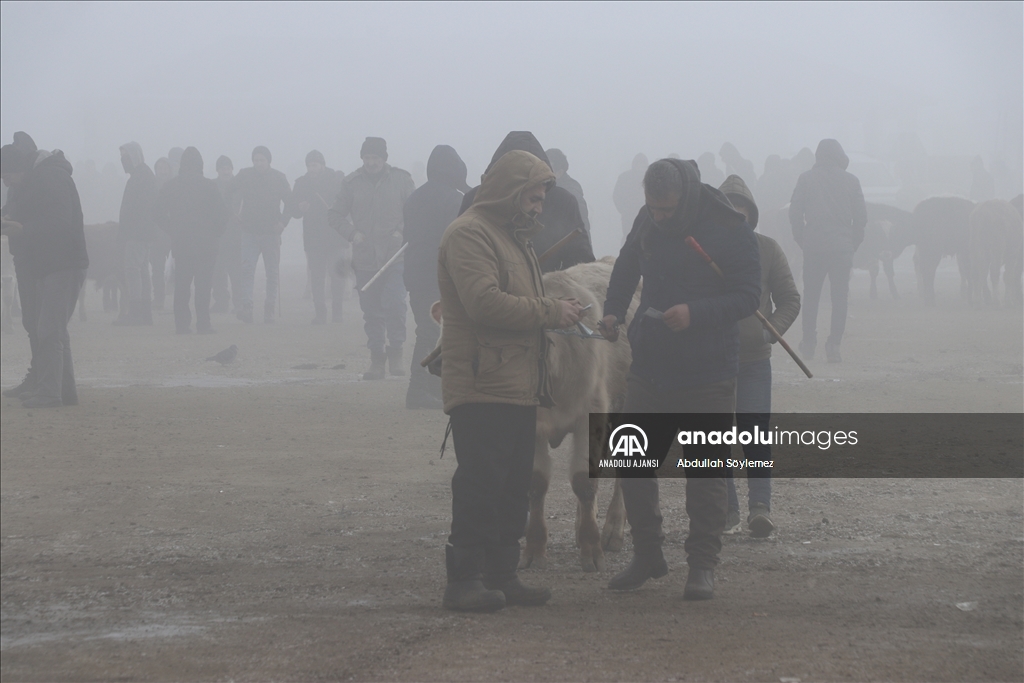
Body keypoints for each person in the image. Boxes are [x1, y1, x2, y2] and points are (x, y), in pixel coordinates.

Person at [599, 158, 760, 600]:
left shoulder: (728, 225)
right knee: (631, 460)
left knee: (705, 472)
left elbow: (748, 295)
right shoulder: (647, 217)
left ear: (685, 197)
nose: (660, 218)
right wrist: (612, 309)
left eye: (667, 210)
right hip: (651, 362)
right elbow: (628, 264)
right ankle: (648, 554)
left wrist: (696, 313)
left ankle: (702, 565)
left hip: (707, 369)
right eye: (654, 209)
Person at [437, 149, 583, 612]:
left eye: (542, 198)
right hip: (483, 384)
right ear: (512, 193)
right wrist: (550, 311)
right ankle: (464, 580)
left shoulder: (514, 237)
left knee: (513, 485)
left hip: (518, 383)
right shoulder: (469, 235)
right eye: (534, 197)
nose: (540, 207)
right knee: (481, 483)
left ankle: (502, 574)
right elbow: (484, 303)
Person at [719, 175, 800, 537]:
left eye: (742, 214)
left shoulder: (767, 249)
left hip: (754, 362)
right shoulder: (703, 253)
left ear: (750, 216)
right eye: (728, 214)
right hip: (711, 362)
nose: (736, 220)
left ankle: (760, 508)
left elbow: (789, 299)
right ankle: (727, 509)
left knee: (754, 435)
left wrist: (771, 330)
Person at [1, 144, 89, 408]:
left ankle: (50, 393)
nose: (5, 181)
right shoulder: (37, 178)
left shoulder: (51, 178)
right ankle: (64, 390)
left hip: (63, 263)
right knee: (55, 330)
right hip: (51, 264)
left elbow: (60, 222)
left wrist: (23, 229)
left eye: (6, 175)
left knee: (49, 329)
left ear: (18, 168)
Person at [329, 137, 414, 379]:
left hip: (396, 256)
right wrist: (352, 233)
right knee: (372, 311)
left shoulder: (402, 179)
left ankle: (396, 352)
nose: (371, 162)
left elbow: (415, 211)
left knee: (396, 303)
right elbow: (334, 215)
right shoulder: (351, 183)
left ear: (384, 158)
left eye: (375, 158)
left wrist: (401, 230)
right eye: (367, 158)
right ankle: (377, 359)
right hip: (365, 260)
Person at [461, 132, 593, 273]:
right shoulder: (476, 199)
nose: (538, 209)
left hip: (550, 290)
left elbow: (581, 263)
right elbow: (461, 257)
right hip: (488, 289)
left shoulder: (564, 201)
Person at [789, 139, 866, 363]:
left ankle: (809, 343)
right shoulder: (852, 181)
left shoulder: (806, 179)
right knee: (840, 298)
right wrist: (853, 243)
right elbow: (861, 217)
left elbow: (794, 213)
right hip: (841, 247)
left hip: (814, 246)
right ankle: (834, 345)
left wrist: (802, 239)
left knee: (811, 296)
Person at [402, 144, 467, 409]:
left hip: (416, 276)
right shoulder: (455, 200)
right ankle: (417, 391)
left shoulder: (415, 198)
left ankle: (431, 388)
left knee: (430, 331)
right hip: (440, 276)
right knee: (433, 333)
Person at [153, 147, 228, 334]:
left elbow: (157, 213)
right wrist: (215, 234)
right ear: (200, 165)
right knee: (203, 286)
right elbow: (223, 215)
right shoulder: (210, 186)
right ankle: (203, 323)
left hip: (182, 243)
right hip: (206, 245)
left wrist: (172, 229)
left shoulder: (172, 186)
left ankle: (182, 324)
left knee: (182, 286)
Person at [228, 146, 291, 323]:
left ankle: (269, 308)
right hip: (249, 232)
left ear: (268, 161)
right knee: (247, 270)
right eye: (255, 160)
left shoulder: (279, 178)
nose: (258, 163)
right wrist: (232, 212)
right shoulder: (244, 175)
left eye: (262, 160)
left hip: (271, 232)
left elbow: (290, 202)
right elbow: (228, 191)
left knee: (272, 272)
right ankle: (247, 307)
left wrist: (283, 223)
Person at [1, 133, 43, 398]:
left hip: (36, 257)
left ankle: (42, 376)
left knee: (38, 321)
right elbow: (10, 209)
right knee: (31, 320)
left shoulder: (33, 183)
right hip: (24, 255)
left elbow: (32, 217)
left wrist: (18, 226)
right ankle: (38, 374)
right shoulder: (17, 183)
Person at [290, 150, 345, 324]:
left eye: (314, 165)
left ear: (322, 164)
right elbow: (294, 210)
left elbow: (346, 204)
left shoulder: (336, 180)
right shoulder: (301, 183)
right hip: (313, 238)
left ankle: (337, 312)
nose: (311, 168)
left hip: (335, 235)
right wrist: (300, 208)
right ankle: (320, 313)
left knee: (337, 275)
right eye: (309, 165)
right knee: (317, 276)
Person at [114, 142, 157, 325]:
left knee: (133, 270)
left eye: (125, 158)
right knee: (142, 270)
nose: (123, 162)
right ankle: (145, 313)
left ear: (133, 157)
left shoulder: (140, 177)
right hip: (144, 232)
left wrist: (127, 231)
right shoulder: (144, 175)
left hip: (137, 233)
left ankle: (136, 313)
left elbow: (136, 208)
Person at [211, 155, 241, 314]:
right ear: (217, 170)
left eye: (228, 167)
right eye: (222, 168)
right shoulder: (212, 186)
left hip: (236, 236)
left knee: (236, 273)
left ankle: (239, 303)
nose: (226, 170)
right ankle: (221, 302)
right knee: (217, 272)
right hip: (217, 236)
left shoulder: (240, 186)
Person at [150, 156, 175, 311]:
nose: (163, 170)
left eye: (165, 168)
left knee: (178, 269)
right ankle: (159, 299)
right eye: (160, 168)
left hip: (173, 234)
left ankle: (177, 300)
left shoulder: (176, 185)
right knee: (157, 269)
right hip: (155, 235)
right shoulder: (151, 186)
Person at [544, 148, 590, 233]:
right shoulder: (541, 190)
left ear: (559, 173)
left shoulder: (572, 196)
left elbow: (582, 231)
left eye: (548, 168)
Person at [613, 153, 648, 243]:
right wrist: (623, 210)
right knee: (628, 238)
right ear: (634, 164)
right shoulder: (624, 177)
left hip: (647, 215)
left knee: (645, 239)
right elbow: (617, 195)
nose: (640, 166)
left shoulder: (650, 177)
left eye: (642, 164)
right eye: (639, 164)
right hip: (628, 215)